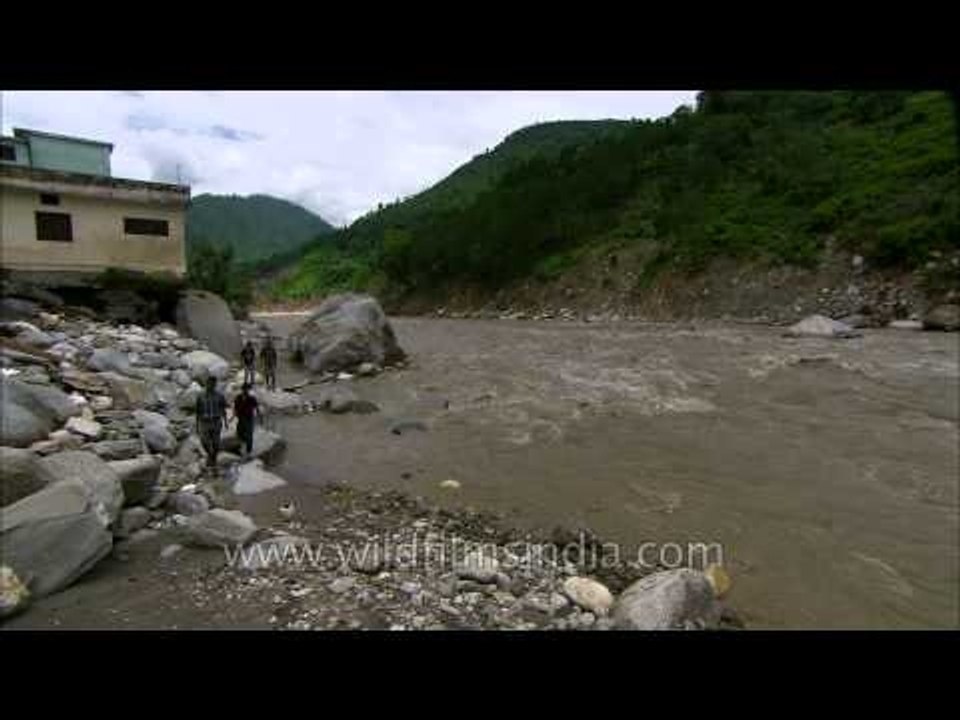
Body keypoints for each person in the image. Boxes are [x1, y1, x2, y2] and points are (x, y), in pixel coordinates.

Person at [195, 376, 228, 470]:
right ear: (206, 384)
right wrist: (197, 425)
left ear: (215, 385)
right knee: (204, 441)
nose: (211, 385)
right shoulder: (200, 396)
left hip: (216, 421)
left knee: (216, 443)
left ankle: (213, 459)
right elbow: (197, 411)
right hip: (204, 422)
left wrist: (225, 422)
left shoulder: (219, 396)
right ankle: (210, 454)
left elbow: (223, 409)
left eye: (213, 384)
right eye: (209, 383)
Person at [233, 383, 261, 457]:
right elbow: (235, 407)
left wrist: (260, 417)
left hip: (249, 418)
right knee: (239, 433)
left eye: (246, 389)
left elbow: (256, 407)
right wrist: (235, 414)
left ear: (248, 390)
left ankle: (249, 450)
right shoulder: (238, 397)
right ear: (242, 389)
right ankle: (239, 449)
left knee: (249, 435)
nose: (245, 390)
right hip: (241, 418)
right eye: (244, 389)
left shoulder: (251, 398)